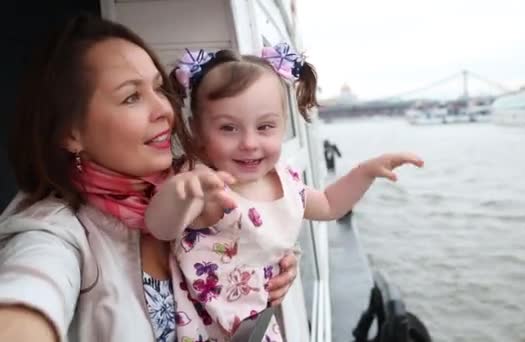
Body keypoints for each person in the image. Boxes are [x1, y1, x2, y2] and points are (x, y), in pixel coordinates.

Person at [0, 14, 298, 342]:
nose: (164, 110)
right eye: (131, 97)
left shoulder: (195, 184)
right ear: (71, 133)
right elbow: (31, 287)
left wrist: (272, 262)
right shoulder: (57, 234)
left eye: (158, 88)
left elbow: (248, 233)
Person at [145, 46, 425, 341]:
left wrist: (365, 172)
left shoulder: (284, 180)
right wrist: (178, 194)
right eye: (228, 128)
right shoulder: (204, 184)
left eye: (265, 126)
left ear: (283, 126)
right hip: (208, 330)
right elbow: (161, 228)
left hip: (257, 327)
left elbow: (329, 205)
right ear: (197, 131)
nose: (250, 142)